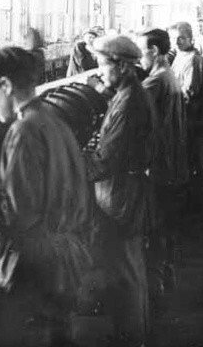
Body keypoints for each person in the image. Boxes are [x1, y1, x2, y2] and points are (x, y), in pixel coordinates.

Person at [0, 46, 94, 347]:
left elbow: (20, 212)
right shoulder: (53, 120)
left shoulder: (23, 131)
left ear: (5, 86)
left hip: (33, 266)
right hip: (64, 259)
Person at [85, 35, 153, 347]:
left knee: (124, 271)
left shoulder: (128, 103)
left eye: (103, 65)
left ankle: (131, 338)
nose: (100, 71)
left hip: (120, 196)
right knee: (127, 269)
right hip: (123, 191)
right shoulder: (128, 94)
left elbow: (106, 160)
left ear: (123, 66)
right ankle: (132, 334)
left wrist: (70, 165)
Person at [136, 28, 188, 303]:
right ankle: (165, 276)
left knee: (155, 225)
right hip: (173, 163)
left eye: (141, 51)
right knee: (165, 225)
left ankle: (155, 287)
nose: (139, 58)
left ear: (154, 50)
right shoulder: (169, 75)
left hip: (160, 166)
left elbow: (129, 106)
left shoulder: (156, 80)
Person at [170, 22, 203, 213]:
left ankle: (194, 202)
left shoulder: (193, 59)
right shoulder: (180, 55)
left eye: (181, 38)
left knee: (190, 156)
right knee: (185, 156)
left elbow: (190, 91)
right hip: (182, 113)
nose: (177, 42)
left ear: (191, 39)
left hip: (189, 114)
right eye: (174, 38)